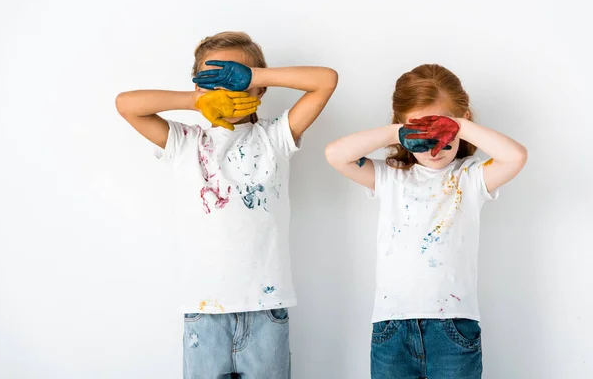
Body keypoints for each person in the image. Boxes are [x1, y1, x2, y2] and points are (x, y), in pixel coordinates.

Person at [115, 31, 338, 379]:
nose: (226, 90)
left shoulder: (275, 137)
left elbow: (325, 81)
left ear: (259, 89)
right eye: (213, 81)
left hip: (266, 309)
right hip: (203, 311)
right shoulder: (186, 141)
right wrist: (197, 100)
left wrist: (255, 75)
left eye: (235, 80)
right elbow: (126, 104)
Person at [325, 64, 527, 379]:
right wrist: (398, 131)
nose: (433, 146)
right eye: (420, 133)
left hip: (454, 326)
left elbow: (515, 156)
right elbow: (336, 154)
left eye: (443, 133)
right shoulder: (389, 175)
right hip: (391, 325)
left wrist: (457, 124)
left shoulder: (470, 177)